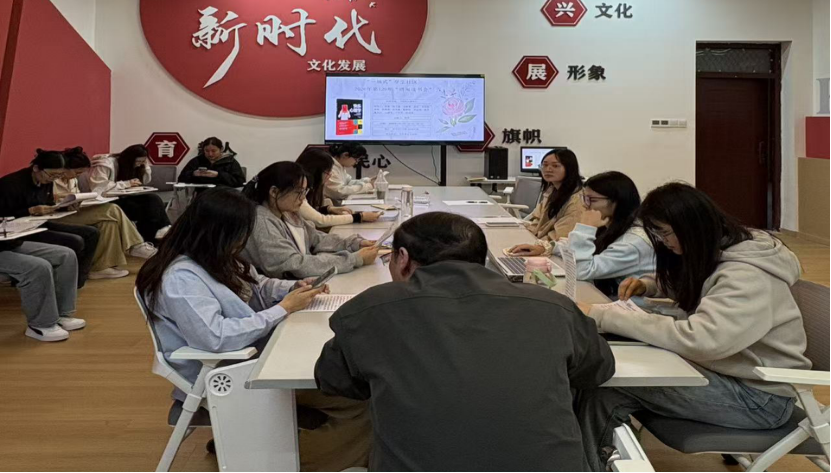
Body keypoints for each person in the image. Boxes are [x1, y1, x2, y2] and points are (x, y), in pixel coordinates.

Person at [315, 212, 616, 472]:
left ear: (402, 258)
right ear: (481, 259)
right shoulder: (552, 306)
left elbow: (334, 379)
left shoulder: (371, 310)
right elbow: (597, 369)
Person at [576, 183, 811, 472]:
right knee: (607, 380)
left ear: (691, 226)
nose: (663, 242)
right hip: (730, 376)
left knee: (607, 388)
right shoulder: (725, 248)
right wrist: (649, 284)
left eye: (665, 233)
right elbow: (701, 283)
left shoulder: (748, 275)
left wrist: (605, 316)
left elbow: (703, 340)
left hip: (759, 399)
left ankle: (588, 464)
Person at [136, 187, 371, 472]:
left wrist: (293, 288)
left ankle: (250, 449)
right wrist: (282, 309)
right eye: (240, 235)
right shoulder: (182, 277)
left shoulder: (213, 258)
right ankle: (287, 462)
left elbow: (256, 286)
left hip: (255, 359)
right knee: (360, 401)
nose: (243, 242)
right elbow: (215, 337)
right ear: (217, 233)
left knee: (353, 387)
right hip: (232, 372)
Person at [241, 162, 380, 279]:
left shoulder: (286, 212)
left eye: (305, 192)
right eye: (299, 192)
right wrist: (354, 259)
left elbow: (316, 238)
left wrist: (354, 244)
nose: (303, 198)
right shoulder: (261, 222)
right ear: (274, 192)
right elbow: (294, 265)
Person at [52, 149, 157, 280]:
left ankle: (100, 268)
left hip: (73, 212)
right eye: (77, 172)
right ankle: (136, 245)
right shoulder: (53, 179)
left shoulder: (72, 180)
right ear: (65, 168)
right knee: (112, 209)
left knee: (109, 223)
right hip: (58, 216)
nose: (77, 176)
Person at [0, 150, 99, 288]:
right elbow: (4, 215)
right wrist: (29, 211)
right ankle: (63, 283)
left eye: (58, 175)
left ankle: (77, 281)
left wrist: (64, 207)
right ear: (36, 168)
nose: (53, 179)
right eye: (51, 175)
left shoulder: (46, 181)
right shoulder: (11, 184)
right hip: (20, 229)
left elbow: (49, 203)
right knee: (75, 241)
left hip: (39, 223)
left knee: (92, 233)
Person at [564, 171, 655, 296]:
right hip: (611, 299)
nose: (585, 205)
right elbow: (577, 250)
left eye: (592, 200)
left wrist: (585, 228)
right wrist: (550, 247)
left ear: (618, 201)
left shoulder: (632, 242)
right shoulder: (611, 227)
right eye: (584, 198)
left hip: (632, 305)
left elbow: (580, 271)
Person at [77, 145, 171, 242]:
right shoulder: (105, 165)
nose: (139, 165)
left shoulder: (133, 167)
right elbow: (99, 188)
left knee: (153, 199)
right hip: (103, 200)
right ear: (129, 159)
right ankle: (151, 237)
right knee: (147, 210)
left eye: (142, 162)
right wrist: (126, 184)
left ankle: (162, 229)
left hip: (121, 197)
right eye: (138, 162)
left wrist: (145, 166)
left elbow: (146, 180)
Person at [0, 240, 85, 342]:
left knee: (66, 255)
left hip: (7, 244)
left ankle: (60, 315)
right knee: (38, 267)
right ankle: (40, 324)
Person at [509, 149, 586, 257]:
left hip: (557, 252)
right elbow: (537, 218)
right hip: (540, 243)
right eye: (544, 165)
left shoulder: (577, 200)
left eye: (555, 166)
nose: (548, 169)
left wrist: (540, 246)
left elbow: (562, 235)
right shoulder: (552, 190)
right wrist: (527, 234)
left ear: (569, 169)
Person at [296, 148, 381, 229]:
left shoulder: (309, 188)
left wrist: (329, 209)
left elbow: (311, 210)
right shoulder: (297, 192)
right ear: (315, 171)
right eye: (327, 172)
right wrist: (359, 217)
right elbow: (320, 221)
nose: (329, 176)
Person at [178, 137, 246, 188]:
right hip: (202, 195)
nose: (210, 154)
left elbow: (240, 182)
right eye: (207, 151)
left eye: (214, 151)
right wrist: (193, 174)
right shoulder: (197, 160)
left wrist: (218, 175)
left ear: (221, 149)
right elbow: (181, 179)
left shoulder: (230, 161)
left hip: (225, 195)